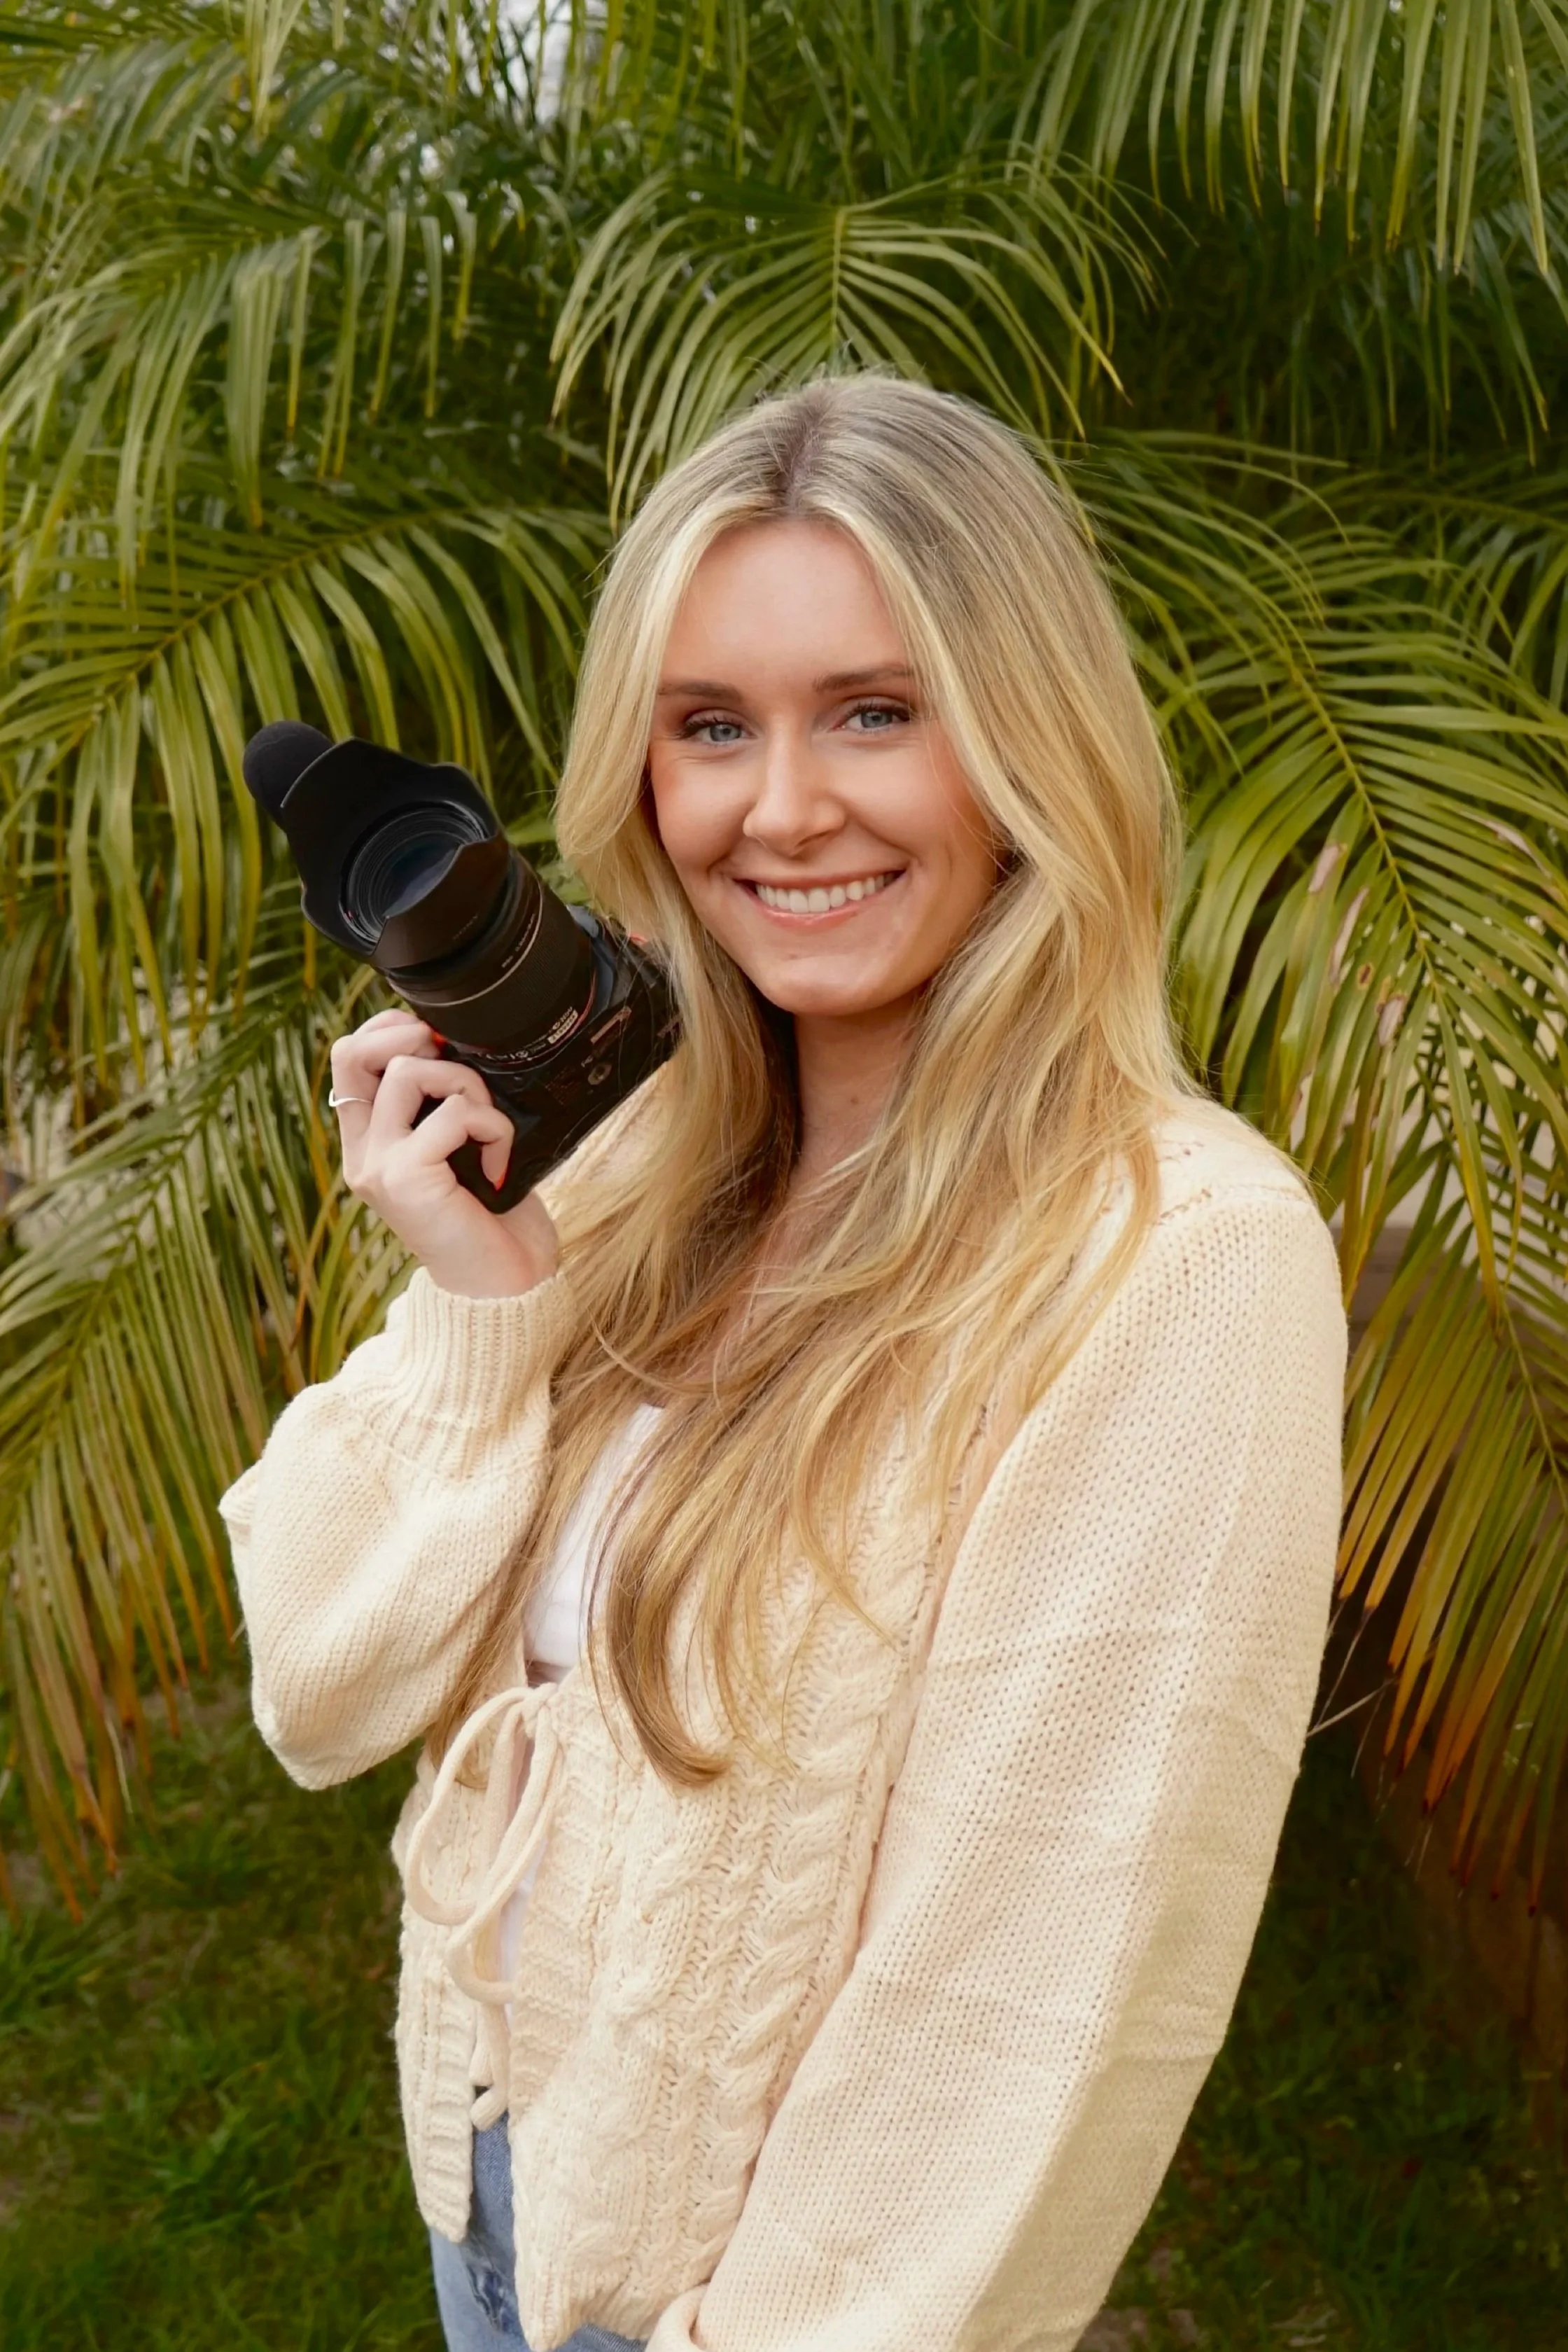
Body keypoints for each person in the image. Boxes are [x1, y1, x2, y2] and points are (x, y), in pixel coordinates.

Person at [218, 372, 1348, 2352]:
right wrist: (481, 1303)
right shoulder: (643, 1138)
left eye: (878, 712)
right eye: (712, 726)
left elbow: (1021, 2001)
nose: (783, 806)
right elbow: (317, 1680)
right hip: (497, 2209)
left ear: (1028, 742)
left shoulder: (1176, 1258)